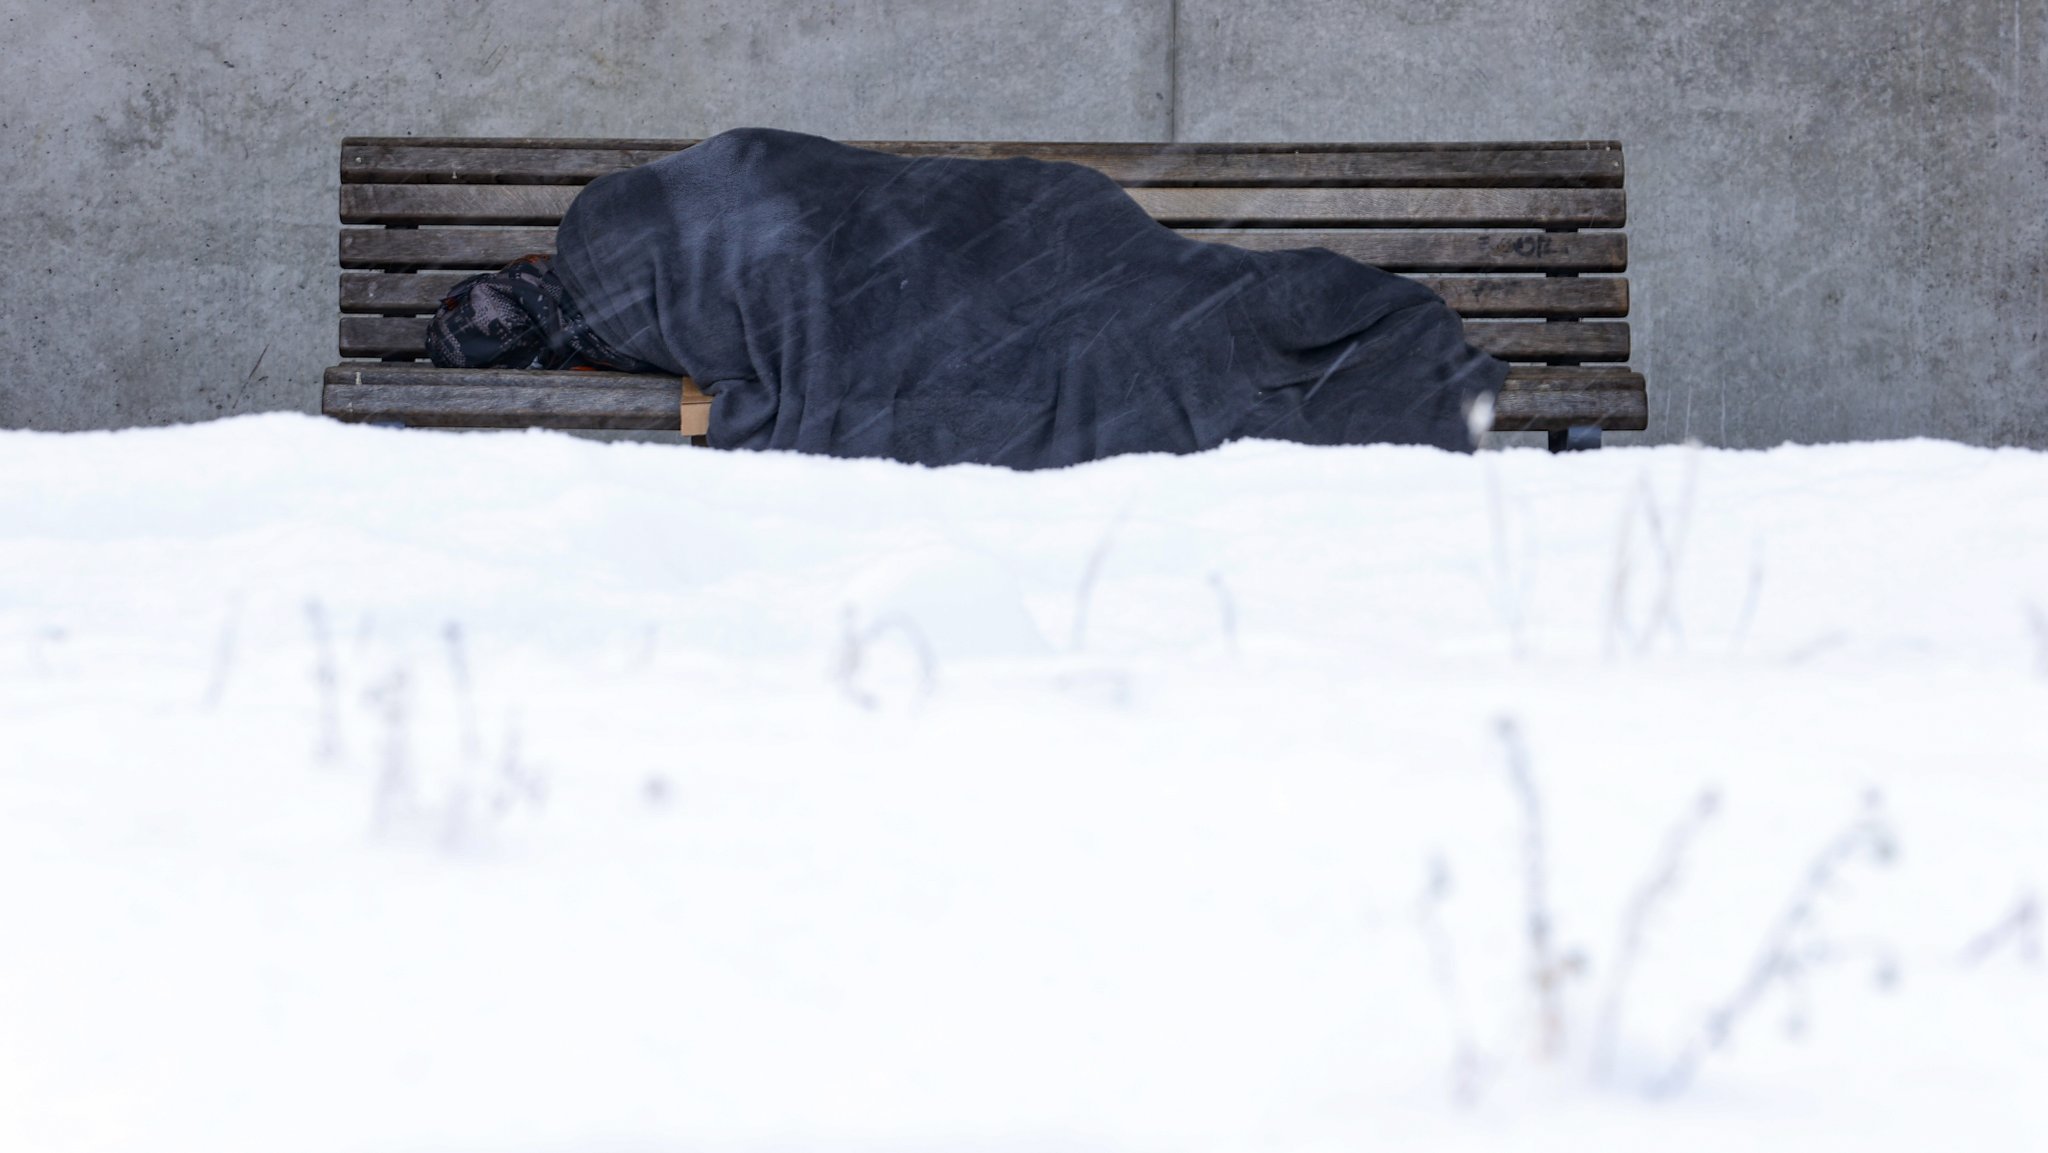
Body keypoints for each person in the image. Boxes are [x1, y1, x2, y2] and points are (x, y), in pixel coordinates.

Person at [428, 128, 1505, 468]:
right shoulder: (625, 269)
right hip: (988, 256)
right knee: (1135, 337)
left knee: (1124, 312)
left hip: (1018, 238)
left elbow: (795, 191)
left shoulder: (615, 236)